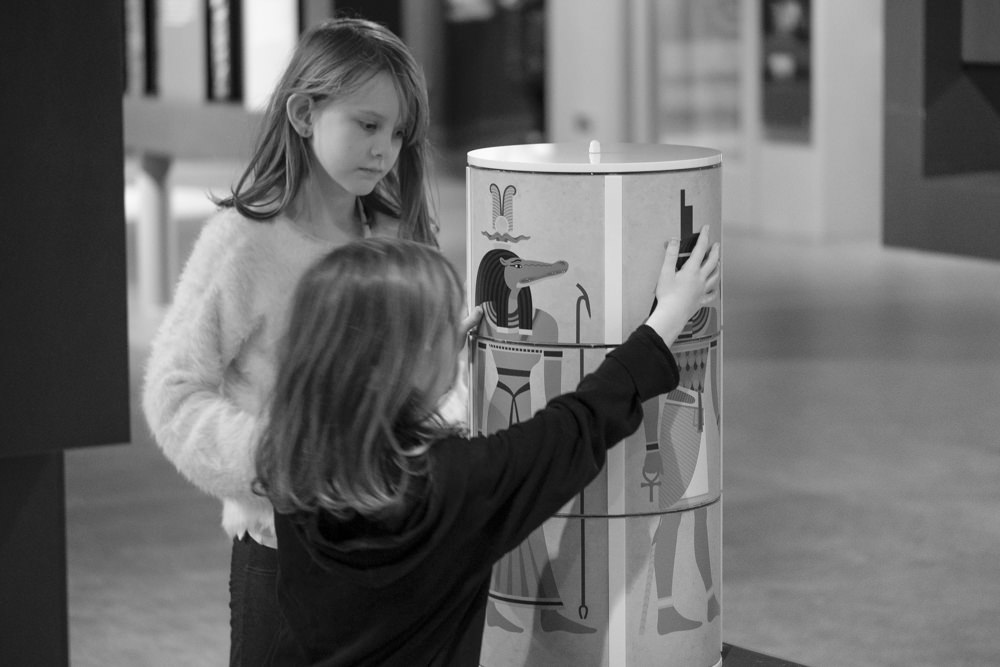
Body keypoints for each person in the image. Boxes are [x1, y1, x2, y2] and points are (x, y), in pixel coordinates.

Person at [254, 227, 721, 666]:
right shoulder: (450, 485)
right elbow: (577, 426)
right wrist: (668, 318)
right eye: (439, 329)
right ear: (404, 362)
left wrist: (428, 369)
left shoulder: (291, 465)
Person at [141, 17, 455, 666]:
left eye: (398, 133)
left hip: (395, 548)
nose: (385, 150)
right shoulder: (243, 241)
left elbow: (409, 388)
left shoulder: (397, 235)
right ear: (304, 113)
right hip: (282, 556)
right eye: (367, 125)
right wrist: (284, 461)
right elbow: (173, 395)